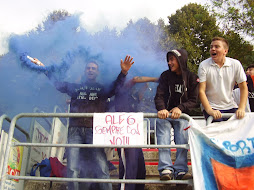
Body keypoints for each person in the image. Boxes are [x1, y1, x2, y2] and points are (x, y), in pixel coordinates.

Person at [30, 56, 134, 190]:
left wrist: (123, 73)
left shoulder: (102, 89)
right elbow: (58, 84)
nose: (90, 70)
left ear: (97, 72)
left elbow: (115, 87)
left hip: (94, 130)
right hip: (74, 129)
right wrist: (44, 68)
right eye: (88, 68)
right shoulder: (75, 87)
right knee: (72, 168)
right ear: (85, 71)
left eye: (93, 68)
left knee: (102, 167)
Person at [154, 49, 199, 180]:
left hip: (182, 116)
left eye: (172, 59)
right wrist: (162, 109)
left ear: (180, 60)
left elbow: (195, 101)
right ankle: (165, 169)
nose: (169, 62)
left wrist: (180, 108)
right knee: (163, 137)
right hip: (165, 115)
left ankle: (181, 170)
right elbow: (159, 95)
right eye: (168, 60)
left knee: (182, 140)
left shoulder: (191, 77)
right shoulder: (165, 76)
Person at [111, 76, 158, 190]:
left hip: (134, 137)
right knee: (129, 168)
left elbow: (140, 95)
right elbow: (135, 79)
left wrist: (146, 86)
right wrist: (154, 79)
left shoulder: (133, 96)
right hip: (123, 135)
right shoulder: (120, 91)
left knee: (140, 168)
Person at [198, 37, 248, 122]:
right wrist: (210, 110)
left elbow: (243, 87)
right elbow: (201, 91)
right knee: (217, 131)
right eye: (211, 47)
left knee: (237, 130)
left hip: (231, 105)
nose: (213, 49)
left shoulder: (235, 64)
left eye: (217, 47)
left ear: (225, 51)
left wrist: (242, 108)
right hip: (212, 106)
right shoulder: (204, 65)